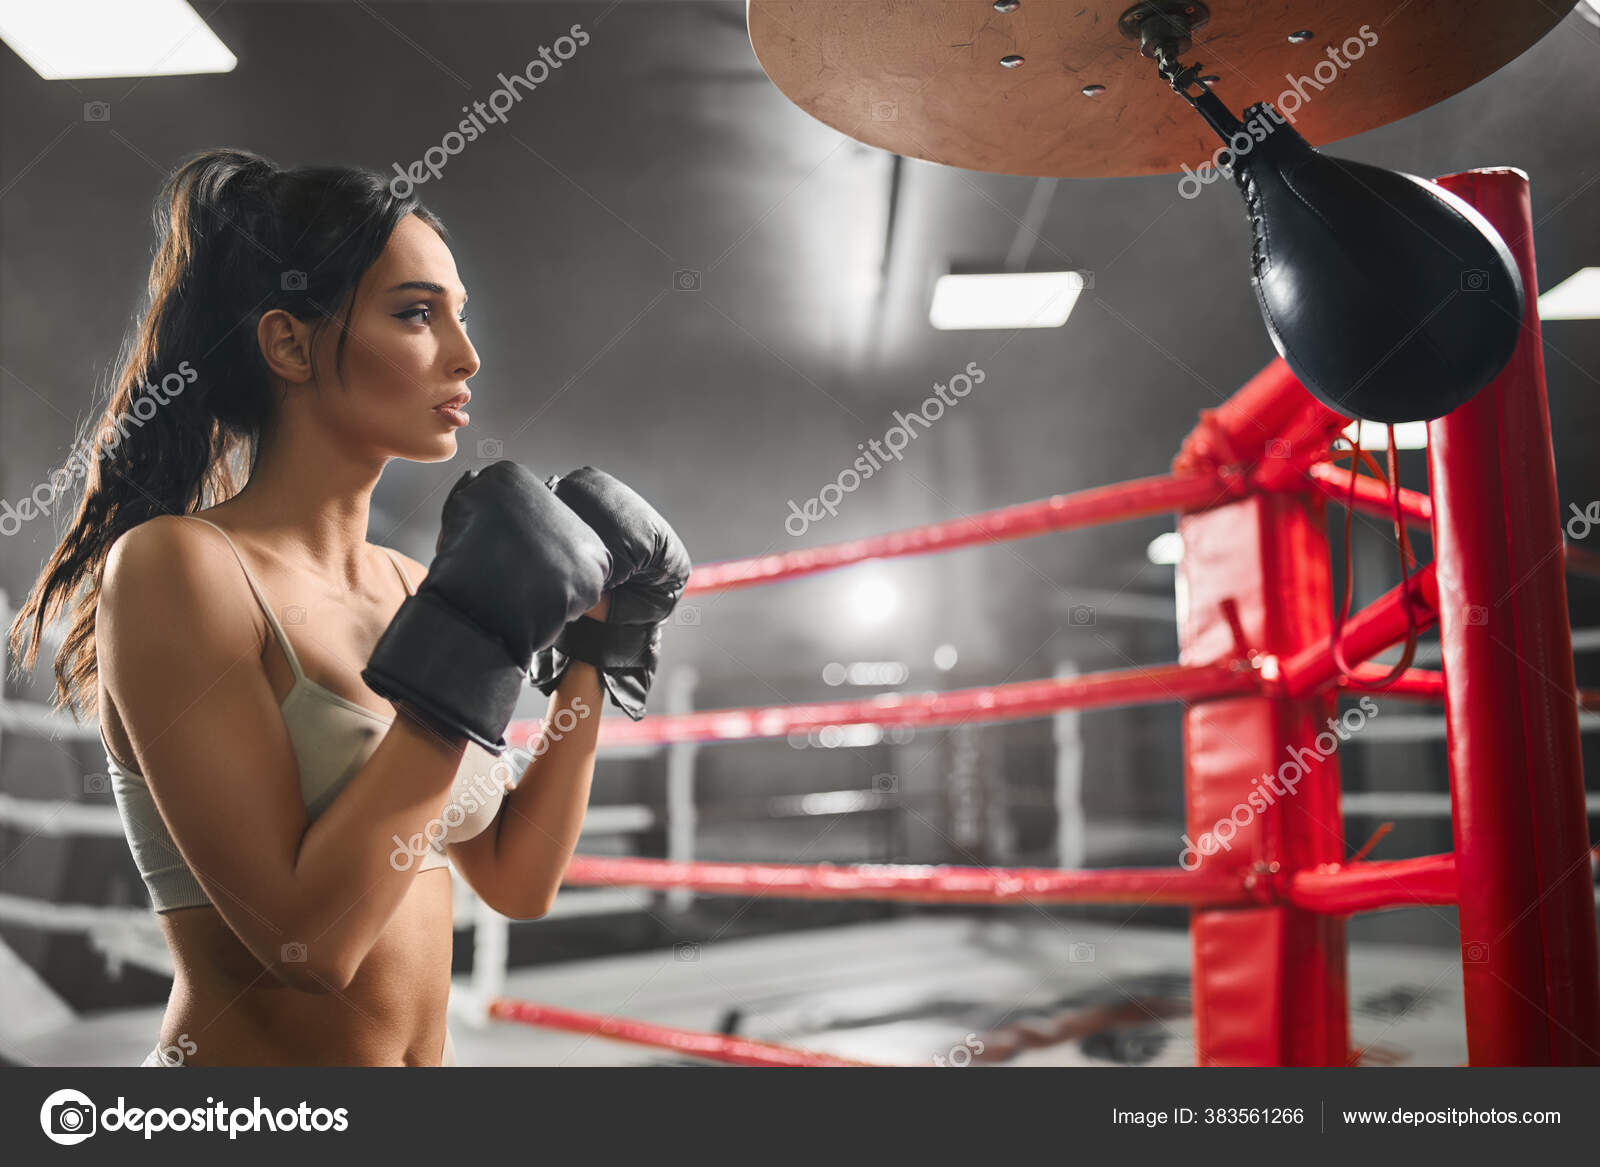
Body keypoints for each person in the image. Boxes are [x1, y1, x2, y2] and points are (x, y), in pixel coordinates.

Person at [6, 149, 689, 1067]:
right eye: (416, 313)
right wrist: (472, 651)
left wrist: (598, 653)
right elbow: (307, 945)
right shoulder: (180, 568)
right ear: (289, 344)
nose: (465, 354)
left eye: (459, 313)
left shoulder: (410, 585)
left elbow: (516, 877)